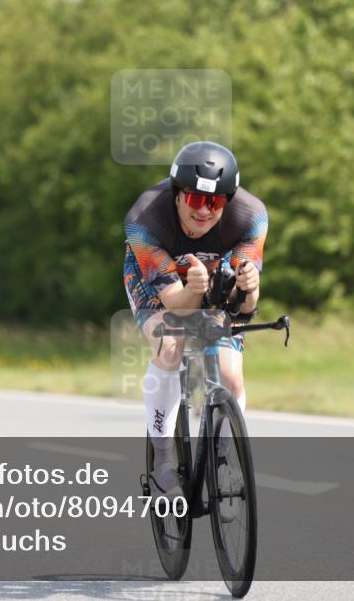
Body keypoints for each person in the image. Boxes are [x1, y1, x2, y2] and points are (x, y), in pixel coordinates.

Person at [123, 142, 268, 496]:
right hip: (158, 281)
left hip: (215, 272)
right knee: (170, 344)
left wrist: (248, 289)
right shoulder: (143, 221)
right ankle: (162, 461)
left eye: (216, 202)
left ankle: (223, 456)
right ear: (177, 194)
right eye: (195, 200)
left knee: (231, 375)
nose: (205, 211)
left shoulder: (251, 217)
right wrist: (193, 290)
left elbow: (243, 308)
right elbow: (175, 305)